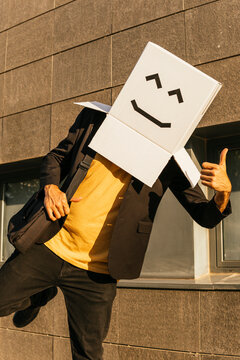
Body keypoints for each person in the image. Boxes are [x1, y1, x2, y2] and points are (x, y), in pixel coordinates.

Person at [0, 108, 232, 360]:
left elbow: (205, 216)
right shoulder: (95, 120)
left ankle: (41, 294)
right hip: (52, 244)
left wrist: (223, 193)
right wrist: (51, 187)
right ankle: (39, 295)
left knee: (88, 354)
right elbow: (55, 158)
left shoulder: (171, 160)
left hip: (97, 272)